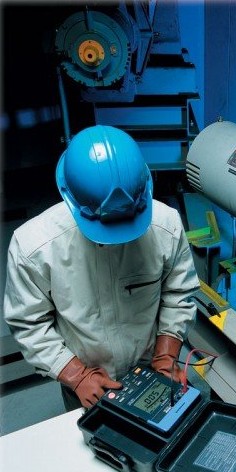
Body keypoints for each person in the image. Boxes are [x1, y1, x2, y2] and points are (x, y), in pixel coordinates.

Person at [3, 125, 200, 410]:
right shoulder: (33, 247)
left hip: (153, 370)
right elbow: (28, 322)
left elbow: (178, 293)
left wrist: (166, 356)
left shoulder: (166, 225)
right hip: (86, 385)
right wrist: (75, 374)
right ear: (71, 198)